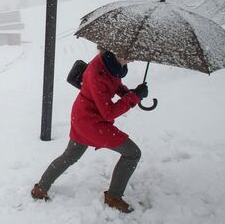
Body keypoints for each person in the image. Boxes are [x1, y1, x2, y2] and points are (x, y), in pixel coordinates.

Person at [30, 48, 149, 213]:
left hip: (83, 116)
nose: (134, 60)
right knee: (133, 153)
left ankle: (41, 188)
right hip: (92, 123)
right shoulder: (98, 73)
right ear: (122, 53)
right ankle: (113, 197)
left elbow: (114, 84)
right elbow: (108, 113)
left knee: (70, 155)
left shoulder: (110, 63)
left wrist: (129, 93)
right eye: (132, 56)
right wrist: (133, 97)